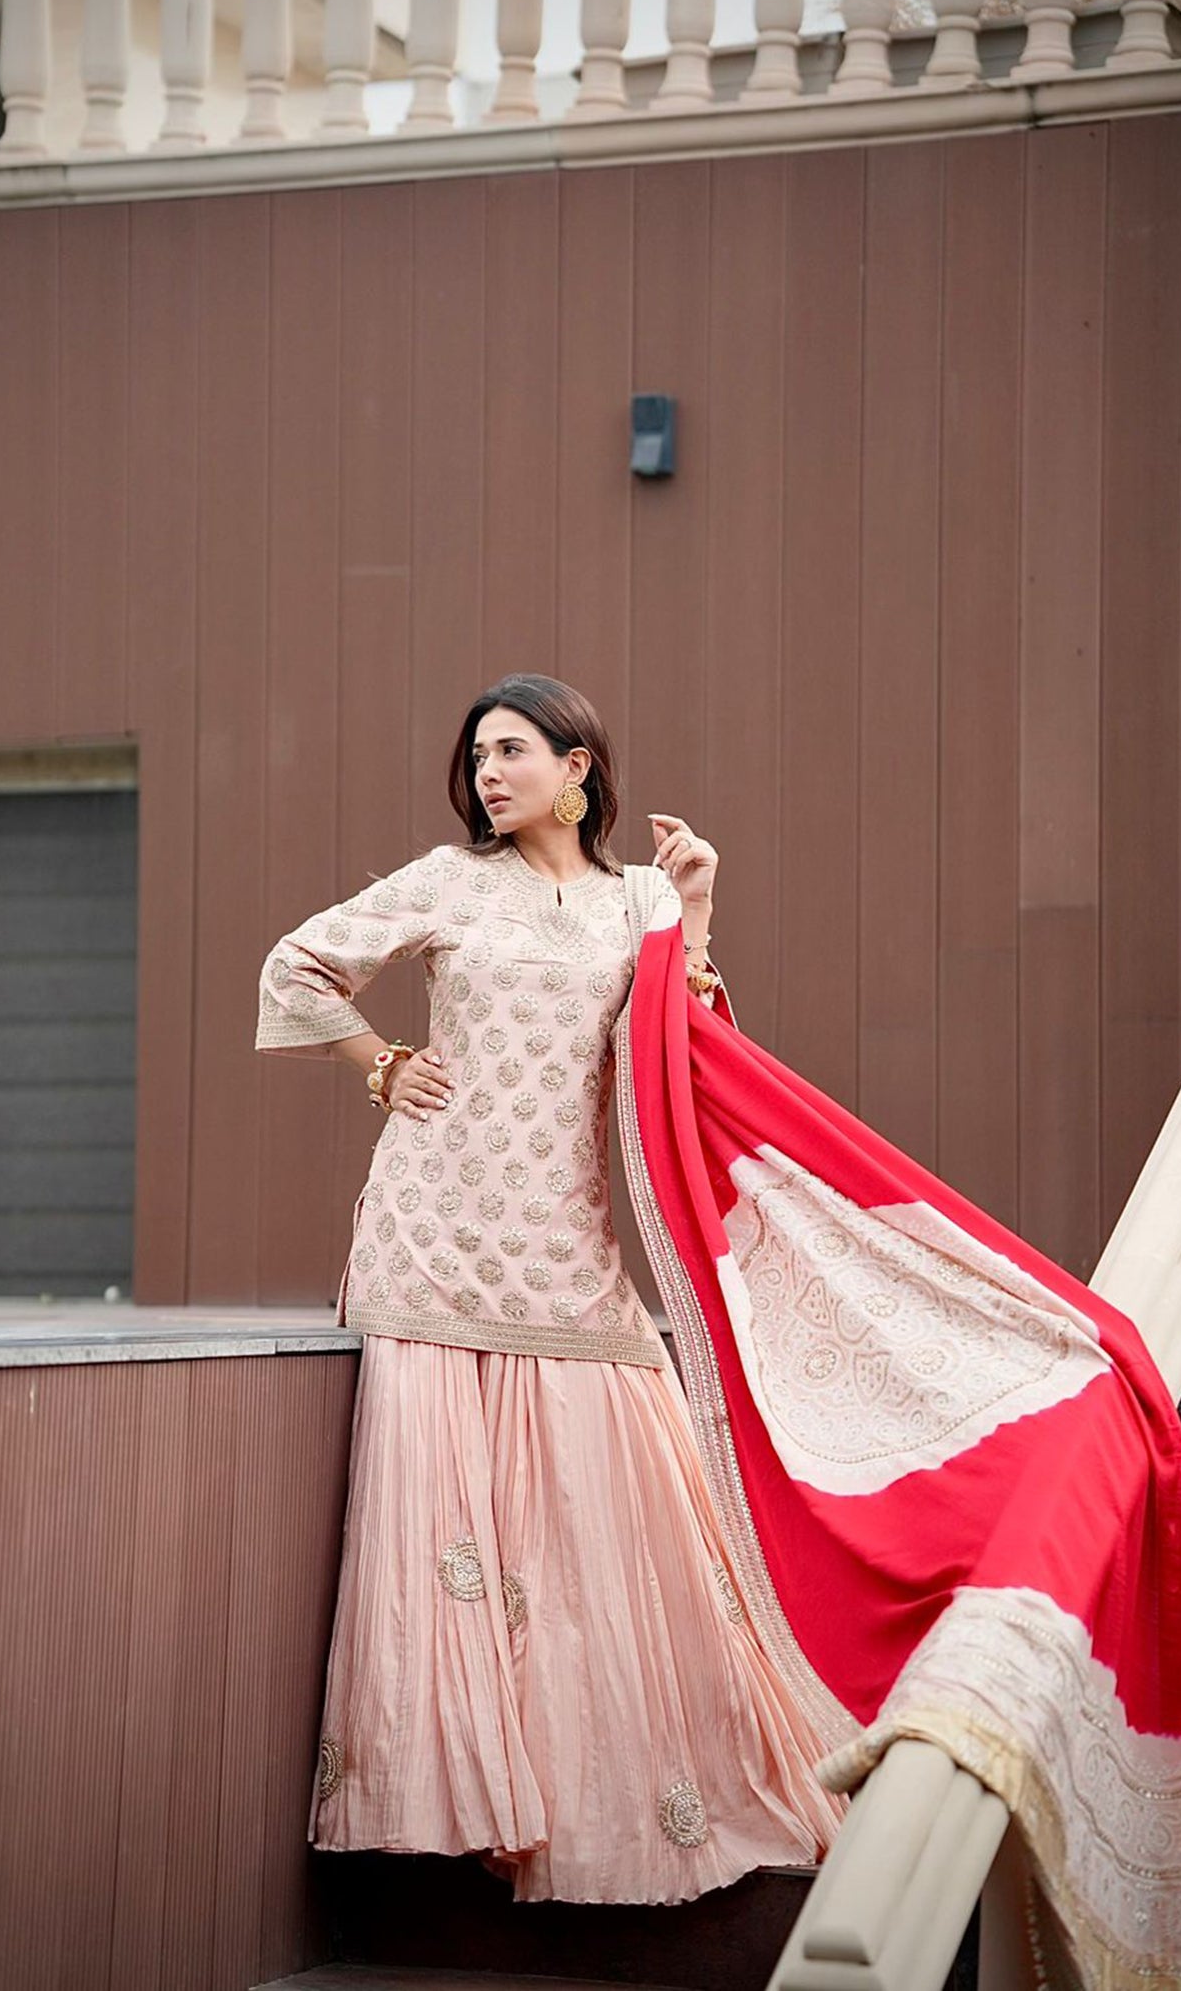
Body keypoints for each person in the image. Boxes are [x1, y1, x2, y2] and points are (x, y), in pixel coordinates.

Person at [256, 672, 846, 1906]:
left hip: (568, 1249)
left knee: (633, 1512)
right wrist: (379, 1065)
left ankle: (623, 1802)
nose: (487, 772)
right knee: (447, 1533)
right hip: (434, 1234)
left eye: (512, 750)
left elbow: (688, 1047)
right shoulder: (447, 881)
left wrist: (694, 908)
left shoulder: (638, 898)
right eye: (476, 755)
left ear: (578, 767)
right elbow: (302, 964)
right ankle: (458, 1798)